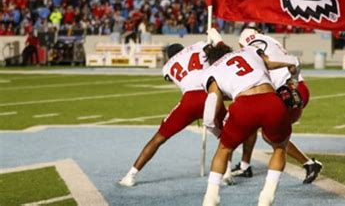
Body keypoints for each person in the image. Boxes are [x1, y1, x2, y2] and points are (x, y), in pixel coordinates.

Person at [119, 41, 227, 187]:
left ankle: (130, 175)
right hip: (210, 95)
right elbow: (215, 53)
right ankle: (226, 174)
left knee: (158, 138)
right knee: (227, 135)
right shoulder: (198, 45)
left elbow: (171, 76)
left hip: (188, 101)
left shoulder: (167, 67)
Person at [201, 41, 295, 206]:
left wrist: (214, 129)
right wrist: (293, 71)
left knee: (224, 149)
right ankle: (266, 197)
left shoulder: (211, 71)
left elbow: (211, 105)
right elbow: (278, 63)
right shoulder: (250, 50)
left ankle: (210, 198)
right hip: (271, 101)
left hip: (244, 105)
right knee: (280, 147)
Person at [230, 28, 322, 184]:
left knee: (270, 135)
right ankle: (245, 166)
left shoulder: (252, 48)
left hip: (286, 91)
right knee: (254, 123)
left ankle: (309, 164)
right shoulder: (270, 40)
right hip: (297, 87)